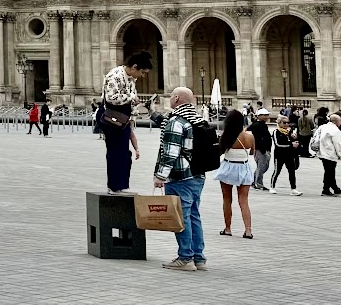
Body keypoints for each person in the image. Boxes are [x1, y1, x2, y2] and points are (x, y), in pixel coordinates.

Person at [154, 87, 209, 272]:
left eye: (171, 96)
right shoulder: (199, 121)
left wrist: (160, 176)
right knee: (194, 215)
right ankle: (198, 258)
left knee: (180, 217)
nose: (170, 99)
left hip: (180, 177)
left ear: (176, 98)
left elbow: (170, 152)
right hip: (198, 175)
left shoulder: (176, 121)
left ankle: (185, 257)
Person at [214, 109, 255, 239]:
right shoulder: (250, 136)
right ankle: (248, 230)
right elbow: (252, 152)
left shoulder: (226, 135)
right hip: (243, 167)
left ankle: (228, 228)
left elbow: (219, 152)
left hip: (228, 167)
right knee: (244, 201)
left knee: (227, 199)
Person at [95, 98, 143, 192]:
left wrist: (136, 149)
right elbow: (131, 135)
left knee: (121, 159)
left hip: (120, 148)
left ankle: (118, 186)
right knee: (118, 159)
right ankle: (117, 186)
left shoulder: (124, 123)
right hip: (117, 145)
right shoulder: (118, 122)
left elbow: (131, 135)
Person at [313, 111, 341, 196]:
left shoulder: (322, 127)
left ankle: (334, 188)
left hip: (321, 151)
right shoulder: (335, 130)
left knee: (329, 171)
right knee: (329, 172)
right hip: (330, 153)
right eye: (340, 121)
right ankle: (326, 189)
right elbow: (338, 144)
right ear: (335, 121)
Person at [271, 116, 303, 194]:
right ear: (279, 123)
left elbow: (295, 142)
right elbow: (278, 144)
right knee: (277, 171)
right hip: (279, 155)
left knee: (292, 171)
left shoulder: (289, 131)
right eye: (284, 123)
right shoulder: (276, 132)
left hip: (289, 154)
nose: (286, 124)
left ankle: (293, 188)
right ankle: (272, 187)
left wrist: (295, 139)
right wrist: (291, 145)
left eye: (287, 123)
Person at [249, 109, 273, 191]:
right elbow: (257, 138)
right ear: (259, 116)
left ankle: (255, 181)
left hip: (265, 148)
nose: (266, 117)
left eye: (267, 115)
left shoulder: (263, 125)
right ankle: (258, 183)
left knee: (264, 166)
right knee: (261, 166)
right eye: (264, 115)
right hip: (260, 149)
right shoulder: (256, 125)